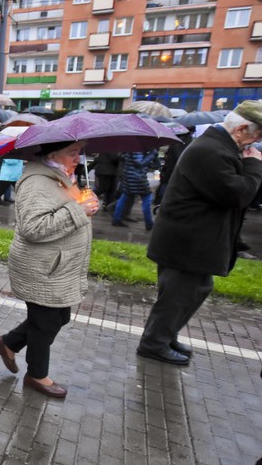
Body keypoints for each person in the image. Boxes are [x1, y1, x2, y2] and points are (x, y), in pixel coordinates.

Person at [137, 101, 262, 365]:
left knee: (192, 291)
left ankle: (164, 335)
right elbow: (238, 194)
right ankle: (154, 343)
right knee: (178, 295)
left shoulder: (218, 146)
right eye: (257, 134)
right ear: (241, 129)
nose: (257, 141)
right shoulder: (212, 151)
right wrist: (253, 166)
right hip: (187, 241)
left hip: (195, 239)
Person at [0, 141, 99, 398]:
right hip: (42, 268)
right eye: (72, 152)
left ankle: (8, 343)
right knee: (46, 323)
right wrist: (78, 210)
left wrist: (86, 203)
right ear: (53, 154)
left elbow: (64, 210)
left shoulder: (60, 177)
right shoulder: (37, 182)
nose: (78, 157)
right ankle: (37, 375)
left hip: (57, 266)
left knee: (59, 318)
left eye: (79, 152)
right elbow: (33, 228)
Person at [112, 150, 158, 231]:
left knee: (124, 197)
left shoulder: (130, 148)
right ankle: (149, 223)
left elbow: (123, 157)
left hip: (128, 177)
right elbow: (139, 163)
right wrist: (152, 154)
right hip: (137, 178)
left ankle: (116, 219)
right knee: (147, 198)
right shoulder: (137, 149)